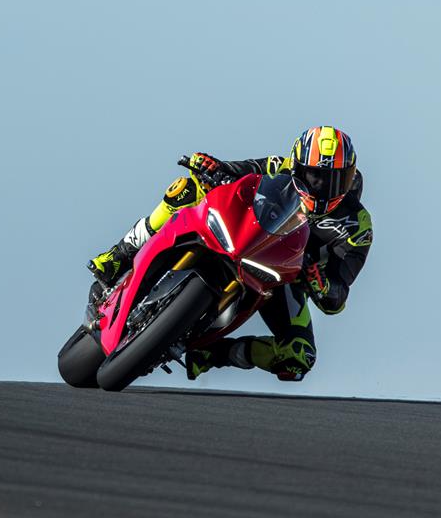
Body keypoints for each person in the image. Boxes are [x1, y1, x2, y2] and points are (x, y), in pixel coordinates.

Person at [87, 126, 373, 381]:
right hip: (244, 236)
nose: (322, 187)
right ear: (298, 167)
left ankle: (212, 355)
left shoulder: (357, 226)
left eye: (334, 179)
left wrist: (319, 282)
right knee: (187, 188)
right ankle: (118, 255)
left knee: (299, 356)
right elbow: (239, 173)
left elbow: (337, 298)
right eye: (315, 176)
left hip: (284, 279)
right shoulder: (281, 166)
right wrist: (212, 166)